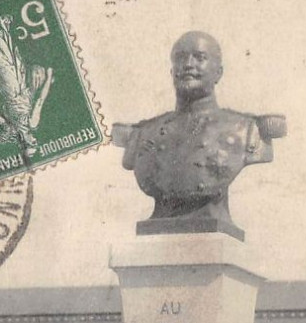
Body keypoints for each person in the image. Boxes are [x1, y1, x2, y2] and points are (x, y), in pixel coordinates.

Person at [115, 31, 286, 237]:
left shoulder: (247, 130)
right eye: (180, 57)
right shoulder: (142, 133)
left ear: (218, 73)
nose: (188, 64)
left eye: (200, 57)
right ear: (172, 71)